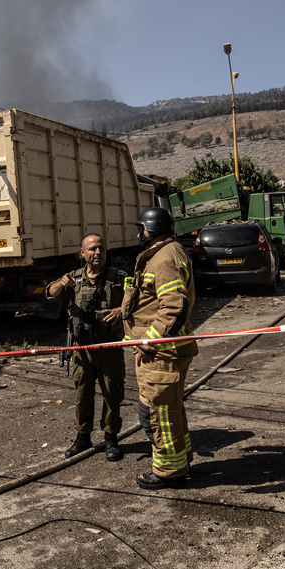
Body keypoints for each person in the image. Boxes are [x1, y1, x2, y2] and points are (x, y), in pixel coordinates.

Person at [122, 206, 199, 490]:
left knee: (157, 413)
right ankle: (180, 461)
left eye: (140, 228)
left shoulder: (165, 259)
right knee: (171, 409)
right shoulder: (164, 254)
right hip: (164, 350)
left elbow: (174, 306)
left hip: (161, 354)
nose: (138, 233)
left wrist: (150, 341)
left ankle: (169, 471)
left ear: (150, 229)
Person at [45, 233, 128, 461]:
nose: (97, 253)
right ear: (82, 253)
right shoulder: (74, 278)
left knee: (112, 394)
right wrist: (62, 283)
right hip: (83, 350)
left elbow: (137, 300)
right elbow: (51, 293)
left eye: (101, 248)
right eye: (91, 249)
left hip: (109, 348)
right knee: (83, 394)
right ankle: (83, 437)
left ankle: (111, 438)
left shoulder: (118, 277)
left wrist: (121, 311)